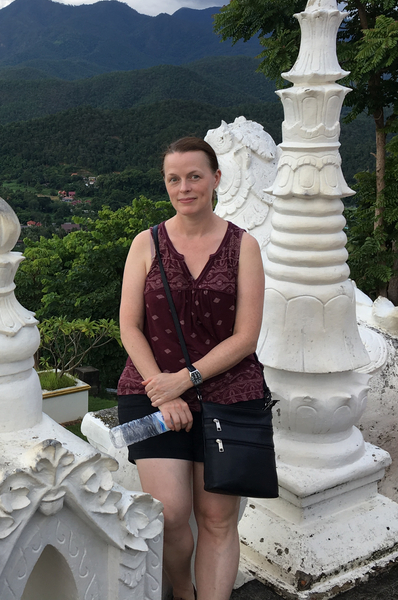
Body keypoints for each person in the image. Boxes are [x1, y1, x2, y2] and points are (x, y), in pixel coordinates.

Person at [116, 136, 265, 600]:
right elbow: (129, 326)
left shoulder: (244, 246)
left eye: (195, 176)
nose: (184, 187)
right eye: (173, 179)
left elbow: (246, 337)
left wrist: (187, 379)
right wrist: (165, 391)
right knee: (169, 512)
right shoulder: (146, 243)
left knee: (219, 518)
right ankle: (183, 590)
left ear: (216, 179)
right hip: (145, 393)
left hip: (230, 395)